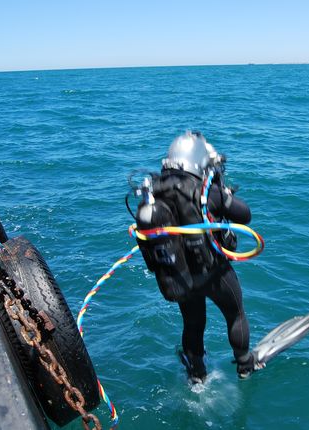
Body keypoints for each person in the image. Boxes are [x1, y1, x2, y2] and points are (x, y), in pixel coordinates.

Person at [136, 131, 256, 382]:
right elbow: (245, 215)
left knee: (192, 323)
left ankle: (197, 374)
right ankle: (245, 365)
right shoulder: (205, 192)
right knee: (235, 314)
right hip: (214, 273)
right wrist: (224, 194)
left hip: (181, 274)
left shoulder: (153, 194)